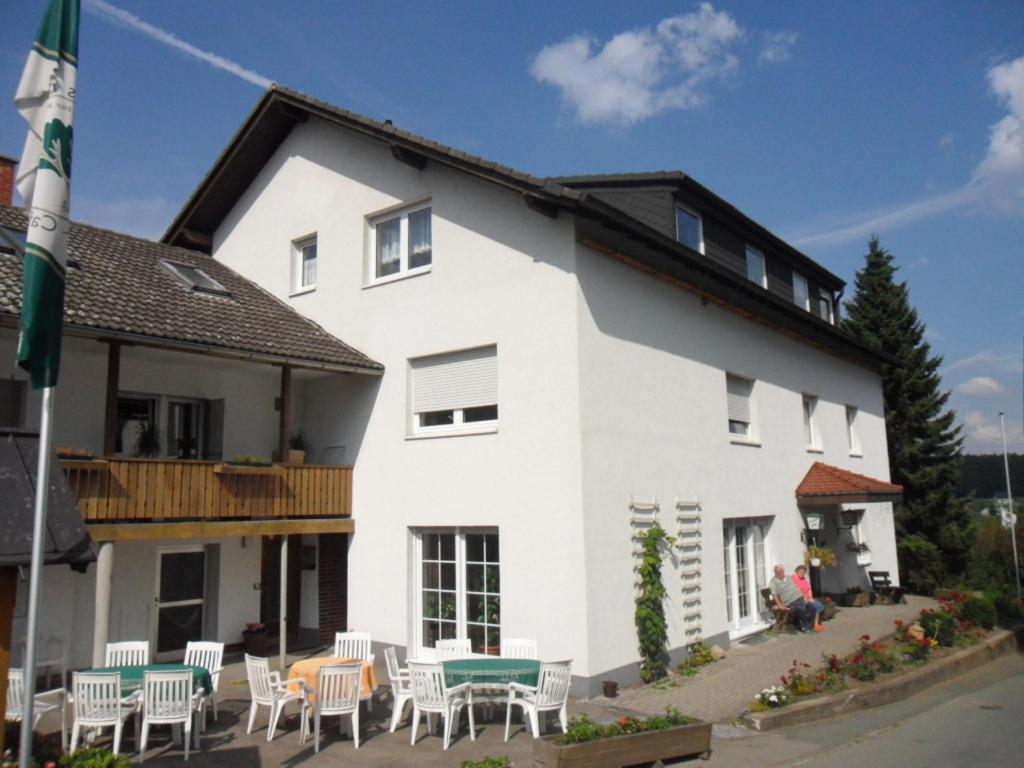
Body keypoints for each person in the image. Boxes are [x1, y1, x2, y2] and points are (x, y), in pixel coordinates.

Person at [768, 564, 816, 632]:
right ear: (775, 572)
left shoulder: (788, 577)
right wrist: (780, 605)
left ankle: (810, 626)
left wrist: (804, 596)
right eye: (777, 571)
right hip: (790, 601)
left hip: (799, 597)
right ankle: (805, 627)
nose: (780, 573)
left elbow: (797, 587)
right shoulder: (773, 582)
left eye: (781, 571)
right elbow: (774, 595)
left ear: (783, 571)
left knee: (812, 607)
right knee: (801, 608)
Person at [791, 564, 824, 632]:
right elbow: (796, 590)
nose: (802, 573)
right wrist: (804, 598)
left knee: (819, 605)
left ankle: (815, 624)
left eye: (803, 572)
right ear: (797, 571)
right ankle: (811, 625)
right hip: (799, 599)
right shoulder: (793, 578)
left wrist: (811, 598)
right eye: (801, 572)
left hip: (807, 598)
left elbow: (809, 589)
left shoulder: (804, 578)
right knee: (813, 606)